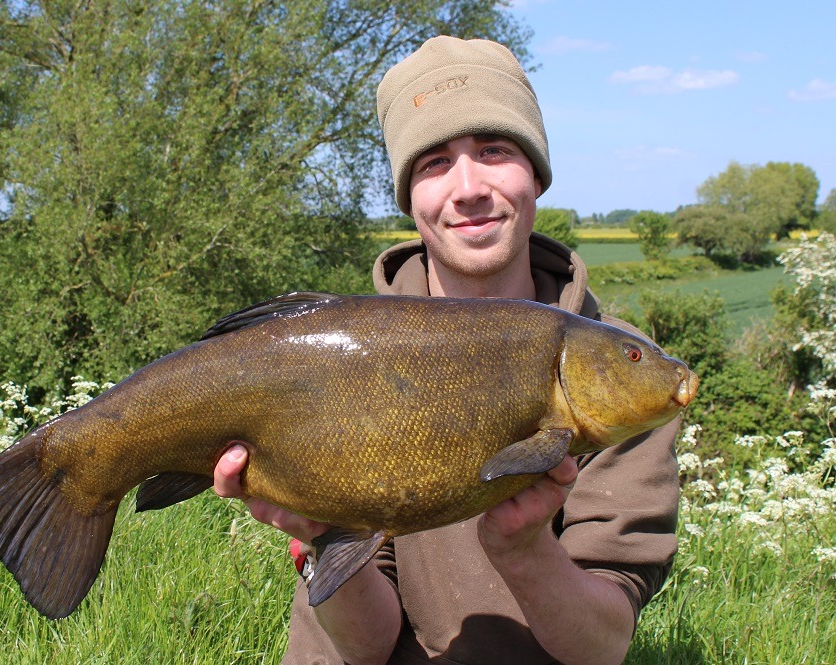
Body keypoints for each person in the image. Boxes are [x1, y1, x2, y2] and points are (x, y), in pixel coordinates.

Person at [214, 36, 681, 665]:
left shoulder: (615, 367)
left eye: (494, 149)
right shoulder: (346, 352)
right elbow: (367, 647)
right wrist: (322, 537)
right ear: (409, 196)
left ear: (536, 172)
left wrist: (523, 549)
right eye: (434, 162)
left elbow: (601, 646)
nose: (468, 187)